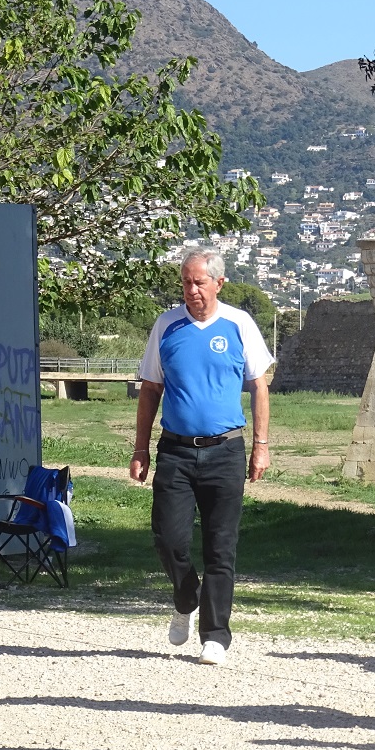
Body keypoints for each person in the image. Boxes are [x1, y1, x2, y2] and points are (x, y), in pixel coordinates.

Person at [130, 248, 274, 665]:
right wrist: (140, 448)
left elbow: (259, 386)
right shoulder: (167, 325)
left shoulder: (238, 324)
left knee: (220, 546)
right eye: (186, 282)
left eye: (199, 282)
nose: (192, 290)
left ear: (219, 283)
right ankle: (185, 598)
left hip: (225, 451)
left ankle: (215, 636)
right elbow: (150, 389)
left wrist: (261, 445)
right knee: (168, 539)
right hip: (175, 450)